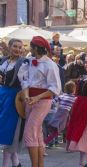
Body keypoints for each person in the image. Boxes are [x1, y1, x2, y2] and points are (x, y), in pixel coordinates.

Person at [18, 36, 61, 167]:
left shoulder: (50, 64)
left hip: (42, 101)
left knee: (29, 132)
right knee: (37, 134)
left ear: (36, 48)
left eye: (31, 46)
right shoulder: (29, 61)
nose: (29, 48)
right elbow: (24, 79)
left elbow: (55, 88)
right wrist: (26, 96)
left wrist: (36, 98)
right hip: (29, 100)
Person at [0, 38, 25, 167]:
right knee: (4, 131)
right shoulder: (4, 60)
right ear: (9, 47)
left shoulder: (23, 63)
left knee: (9, 133)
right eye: (15, 46)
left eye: (20, 47)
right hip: (2, 96)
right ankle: (16, 163)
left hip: (14, 98)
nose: (18, 49)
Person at [44, 81, 77, 145]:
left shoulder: (62, 96)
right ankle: (45, 142)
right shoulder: (74, 98)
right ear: (74, 89)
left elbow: (53, 102)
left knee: (57, 130)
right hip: (65, 114)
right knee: (61, 130)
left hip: (59, 113)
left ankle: (46, 141)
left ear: (65, 89)